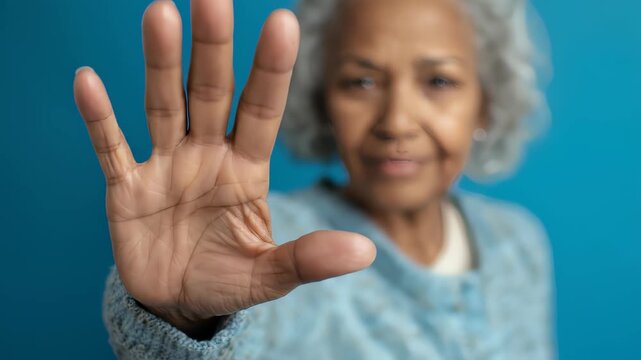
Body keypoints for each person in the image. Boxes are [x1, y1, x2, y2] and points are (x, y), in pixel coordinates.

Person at [73, 0, 555, 358]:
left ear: (487, 102)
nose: (397, 121)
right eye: (360, 82)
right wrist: (185, 319)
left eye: (439, 81)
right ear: (323, 101)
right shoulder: (263, 239)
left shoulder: (519, 242)